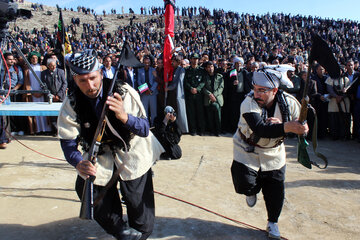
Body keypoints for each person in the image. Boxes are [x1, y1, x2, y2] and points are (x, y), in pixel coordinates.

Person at [58, 50, 164, 240]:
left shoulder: (124, 91)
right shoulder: (71, 102)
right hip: (99, 154)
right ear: (74, 79)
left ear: (100, 72)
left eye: (92, 78)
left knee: (141, 218)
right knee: (86, 187)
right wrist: (78, 162)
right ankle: (120, 231)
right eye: (82, 80)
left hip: (132, 150)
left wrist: (124, 116)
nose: (89, 85)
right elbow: (67, 141)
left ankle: (140, 233)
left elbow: (144, 129)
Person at [231, 69, 309, 239]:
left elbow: (302, 124)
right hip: (247, 148)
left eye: (262, 90)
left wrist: (303, 128)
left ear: (274, 90)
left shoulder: (289, 102)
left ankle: (272, 222)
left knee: (275, 189)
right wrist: (286, 127)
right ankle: (252, 189)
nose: (256, 93)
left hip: (274, 151)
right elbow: (260, 128)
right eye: (255, 88)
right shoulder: (248, 102)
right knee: (243, 183)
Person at [41, 58, 67, 132]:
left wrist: (58, 95)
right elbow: (43, 86)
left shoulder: (61, 72)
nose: (54, 67)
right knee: (52, 116)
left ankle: (63, 130)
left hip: (60, 97)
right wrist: (51, 95)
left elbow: (64, 84)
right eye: (52, 66)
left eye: (55, 65)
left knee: (62, 114)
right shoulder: (44, 73)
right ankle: (55, 130)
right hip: (50, 97)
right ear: (48, 66)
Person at [184, 53, 205, 136]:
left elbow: (203, 81)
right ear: (191, 60)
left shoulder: (201, 70)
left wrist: (198, 89)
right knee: (191, 113)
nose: (195, 60)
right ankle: (193, 130)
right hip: (190, 94)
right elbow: (185, 82)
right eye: (193, 58)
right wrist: (191, 88)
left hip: (199, 94)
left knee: (200, 113)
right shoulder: (186, 70)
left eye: (196, 59)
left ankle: (201, 130)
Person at [166, 55, 188, 133]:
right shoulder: (172, 69)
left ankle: (179, 128)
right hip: (171, 94)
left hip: (177, 94)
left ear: (178, 62)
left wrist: (169, 88)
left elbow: (178, 83)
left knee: (178, 112)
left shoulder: (181, 70)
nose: (172, 63)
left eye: (174, 61)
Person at [202, 61, 224, 136]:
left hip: (217, 98)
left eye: (212, 67)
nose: (210, 68)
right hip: (207, 99)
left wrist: (213, 95)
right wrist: (209, 94)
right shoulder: (204, 77)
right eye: (209, 67)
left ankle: (218, 131)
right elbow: (203, 87)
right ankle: (211, 131)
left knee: (217, 115)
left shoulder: (219, 76)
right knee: (209, 116)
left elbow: (221, 87)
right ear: (206, 68)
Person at [137, 56, 158, 126]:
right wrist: (145, 90)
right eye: (145, 63)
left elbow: (156, 81)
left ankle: (153, 125)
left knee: (153, 111)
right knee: (144, 111)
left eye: (148, 63)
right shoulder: (139, 71)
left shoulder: (153, 70)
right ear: (143, 63)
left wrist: (151, 90)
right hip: (144, 94)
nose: (147, 64)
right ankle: (146, 125)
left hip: (152, 93)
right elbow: (138, 82)